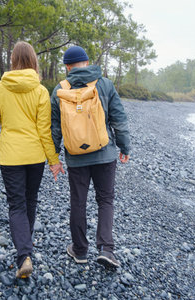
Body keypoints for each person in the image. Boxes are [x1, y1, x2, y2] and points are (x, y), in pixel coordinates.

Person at [0, 41, 64, 279]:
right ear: (33, 61)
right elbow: (44, 130)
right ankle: (25, 249)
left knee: (16, 204)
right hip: (35, 156)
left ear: (13, 60)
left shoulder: (0, 87)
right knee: (30, 201)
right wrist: (53, 160)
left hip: (11, 156)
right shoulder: (39, 90)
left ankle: (23, 254)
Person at [50, 45, 130, 268]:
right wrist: (125, 148)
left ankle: (80, 250)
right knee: (105, 199)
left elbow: (54, 128)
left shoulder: (60, 89)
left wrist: (53, 158)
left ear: (67, 67)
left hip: (76, 157)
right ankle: (106, 249)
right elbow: (119, 119)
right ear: (87, 62)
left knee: (78, 202)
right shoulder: (104, 84)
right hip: (105, 154)